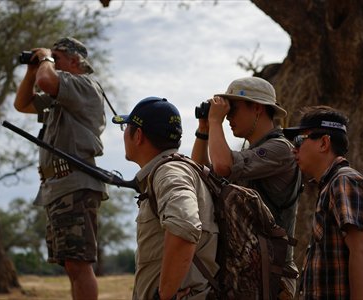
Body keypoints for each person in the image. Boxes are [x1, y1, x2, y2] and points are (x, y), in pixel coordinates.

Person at [14, 37, 108, 300]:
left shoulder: (84, 86)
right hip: (58, 187)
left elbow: (47, 81)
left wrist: (44, 58)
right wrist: (33, 69)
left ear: (75, 61)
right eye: (51, 58)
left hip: (75, 184)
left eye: (58, 57)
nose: (52, 62)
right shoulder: (61, 96)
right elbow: (22, 103)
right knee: (71, 265)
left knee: (79, 264)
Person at [191, 77, 301, 299]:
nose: (228, 117)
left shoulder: (280, 148)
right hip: (247, 269)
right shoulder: (250, 152)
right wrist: (204, 129)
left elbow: (222, 166)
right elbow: (199, 172)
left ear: (258, 108)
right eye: (226, 112)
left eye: (233, 110)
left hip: (272, 272)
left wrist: (215, 122)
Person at [283, 105, 363, 299]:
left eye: (300, 139)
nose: (294, 149)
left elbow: (361, 250)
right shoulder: (333, 184)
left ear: (324, 143)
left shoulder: (343, 181)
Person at [112, 97, 219, 300]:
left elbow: (185, 225)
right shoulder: (173, 171)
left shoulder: (169, 173)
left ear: (139, 136)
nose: (124, 134)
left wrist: (164, 296)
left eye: (126, 127)